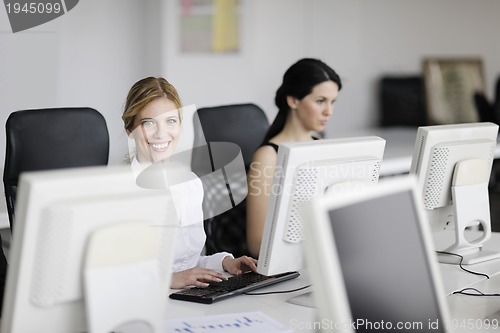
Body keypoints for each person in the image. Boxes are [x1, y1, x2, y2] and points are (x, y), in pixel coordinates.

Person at [122, 76, 257, 289]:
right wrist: (169, 280)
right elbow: (111, 276)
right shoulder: (118, 192)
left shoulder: (190, 184)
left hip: (187, 298)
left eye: (171, 121)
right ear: (130, 129)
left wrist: (225, 262)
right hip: (143, 301)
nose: (161, 133)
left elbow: (187, 264)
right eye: (148, 123)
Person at [246, 58, 342, 258]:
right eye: (320, 101)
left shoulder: (324, 146)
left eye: (333, 102)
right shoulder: (268, 157)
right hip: (291, 264)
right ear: (293, 101)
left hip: (320, 256)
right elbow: (257, 244)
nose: (329, 111)